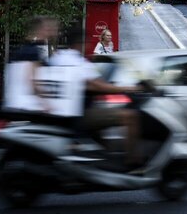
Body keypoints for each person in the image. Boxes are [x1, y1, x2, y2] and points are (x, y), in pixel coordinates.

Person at [46, 26, 143, 167]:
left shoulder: (57, 58)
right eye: (86, 43)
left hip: (57, 113)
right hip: (78, 114)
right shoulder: (79, 62)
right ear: (81, 43)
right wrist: (130, 88)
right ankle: (133, 164)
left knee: (101, 117)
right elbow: (98, 86)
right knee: (131, 116)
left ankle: (103, 158)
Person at [4, 16, 59, 113]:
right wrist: (47, 104)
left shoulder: (25, 49)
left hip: (13, 104)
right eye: (50, 28)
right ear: (42, 29)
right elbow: (33, 81)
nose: (53, 32)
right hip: (25, 107)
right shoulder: (33, 52)